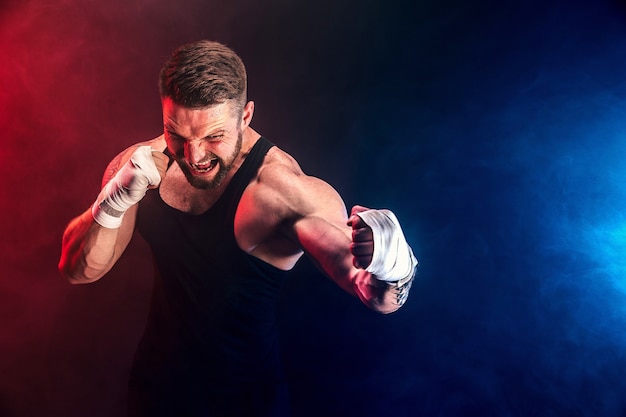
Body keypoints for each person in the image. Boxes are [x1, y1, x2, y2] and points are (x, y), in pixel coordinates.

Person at [58, 40, 418, 417]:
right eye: (177, 135)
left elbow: (374, 294)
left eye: (213, 137)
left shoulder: (282, 190)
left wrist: (394, 266)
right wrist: (112, 201)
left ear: (245, 117)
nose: (193, 156)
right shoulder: (138, 166)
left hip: (247, 401)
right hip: (156, 391)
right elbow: (79, 270)